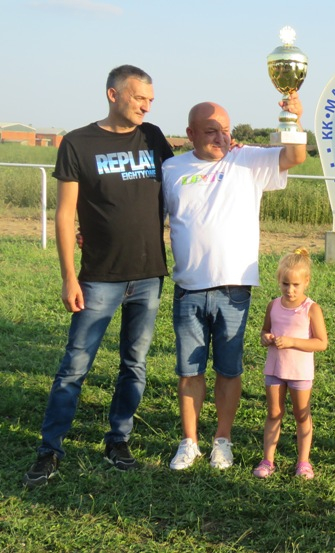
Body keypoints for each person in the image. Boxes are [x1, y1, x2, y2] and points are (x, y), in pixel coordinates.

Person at [23, 65, 173, 488]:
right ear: (113, 94)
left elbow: (188, 178)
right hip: (99, 277)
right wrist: (69, 276)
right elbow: (65, 212)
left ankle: (118, 440)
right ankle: (49, 450)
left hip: (148, 275)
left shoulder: (154, 137)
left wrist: (226, 149)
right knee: (74, 366)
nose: (146, 105)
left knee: (135, 364)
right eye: (139, 97)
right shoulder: (78, 143)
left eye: (150, 100)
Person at [164, 97, 306, 471]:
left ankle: (221, 441)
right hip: (189, 288)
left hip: (234, 289)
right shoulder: (171, 169)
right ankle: (189, 442)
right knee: (189, 371)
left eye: (225, 129)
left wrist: (293, 118)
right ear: (190, 133)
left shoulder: (247, 160)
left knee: (229, 369)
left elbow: (295, 157)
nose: (220, 137)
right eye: (210, 131)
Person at [253, 248, 328, 480]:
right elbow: (265, 330)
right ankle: (268, 460)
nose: (290, 290)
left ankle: (303, 462)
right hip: (275, 370)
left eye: (296, 284)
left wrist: (293, 342)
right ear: (279, 281)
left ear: (306, 281)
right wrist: (265, 337)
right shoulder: (273, 305)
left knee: (301, 415)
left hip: (300, 373)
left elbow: (321, 343)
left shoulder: (311, 309)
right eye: (285, 284)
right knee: (274, 412)